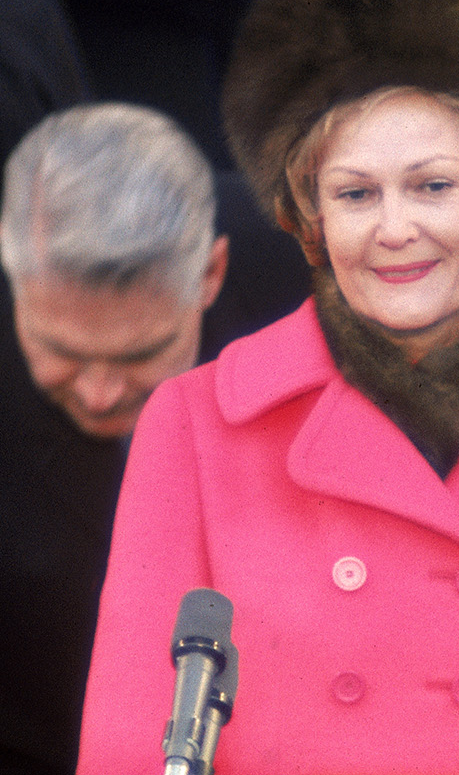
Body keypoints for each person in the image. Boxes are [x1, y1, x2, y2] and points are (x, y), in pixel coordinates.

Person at [76, 0, 459, 775]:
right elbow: (130, 745)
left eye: (433, 186)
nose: (395, 229)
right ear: (312, 218)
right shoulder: (196, 424)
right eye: (355, 194)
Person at [0, 101, 307, 775]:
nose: (100, 392)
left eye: (142, 352)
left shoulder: (315, 272)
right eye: (61, 351)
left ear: (210, 275)